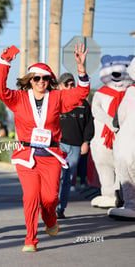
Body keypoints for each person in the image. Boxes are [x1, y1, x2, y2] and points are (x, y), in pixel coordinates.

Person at [0, 44, 90, 252]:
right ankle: (30, 239)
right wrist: (5, 62)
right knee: (30, 197)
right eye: (36, 78)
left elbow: (81, 94)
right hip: (26, 156)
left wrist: (81, 70)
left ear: (50, 81)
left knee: (50, 198)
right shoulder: (18, 99)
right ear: (30, 80)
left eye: (45, 78)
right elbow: (0, 90)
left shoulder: (57, 97)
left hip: (51, 156)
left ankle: (50, 217)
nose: (41, 82)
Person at [56, 73, 94, 219]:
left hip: (76, 146)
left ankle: (60, 208)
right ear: (60, 85)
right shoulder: (55, 101)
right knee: (57, 177)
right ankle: (52, 206)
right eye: (67, 84)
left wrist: (86, 142)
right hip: (58, 145)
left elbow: (89, 125)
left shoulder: (83, 103)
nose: (70, 87)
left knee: (67, 178)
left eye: (72, 84)